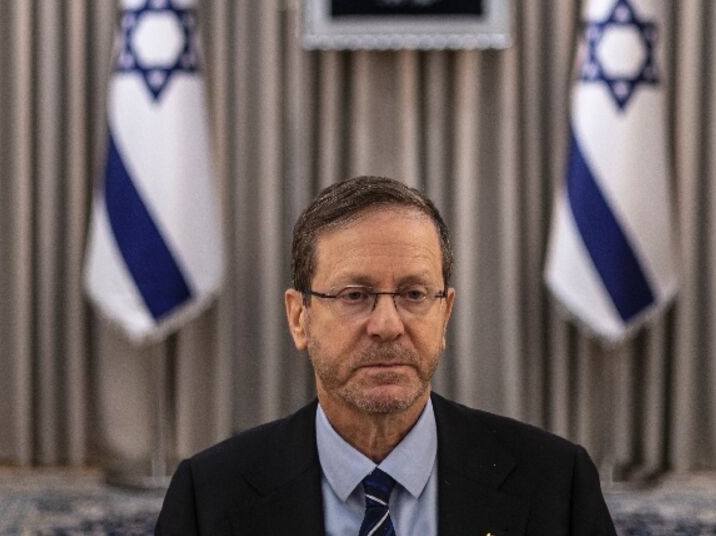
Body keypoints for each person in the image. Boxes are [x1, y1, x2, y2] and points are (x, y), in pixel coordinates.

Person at [155, 175, 617, 535]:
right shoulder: (209, 495)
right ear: (299, 318)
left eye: (414, 294)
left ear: (445, 314)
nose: (388, 325)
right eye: (355, 295)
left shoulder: (556, 484)